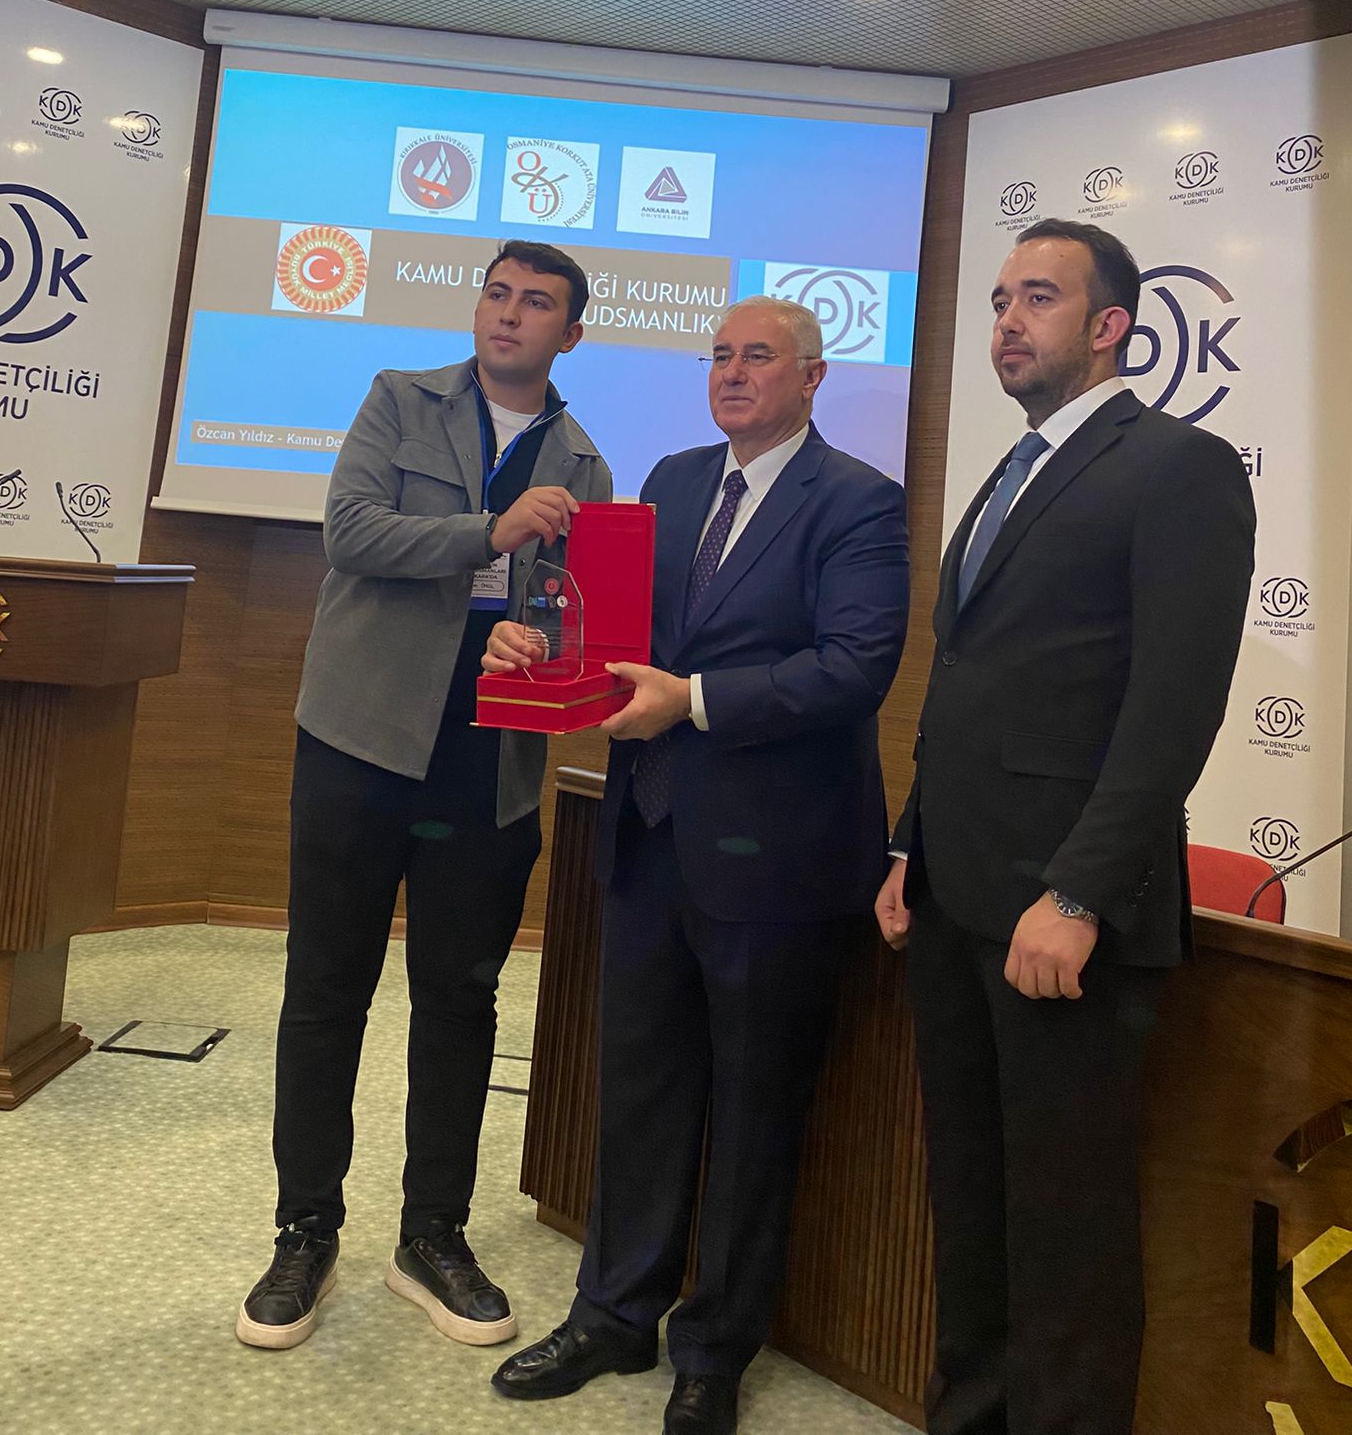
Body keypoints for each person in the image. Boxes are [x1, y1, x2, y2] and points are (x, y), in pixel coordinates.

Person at [485, 297, 910, 1435]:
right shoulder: (671, 481)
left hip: (779, 861)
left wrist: (697, 700)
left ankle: (714, 1350)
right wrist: (538, 645)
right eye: (719, 355)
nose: (731, 372)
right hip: (650, 834)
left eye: (757, 356)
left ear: (812, 378)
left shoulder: (859, 500)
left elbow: (854, 667)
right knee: (640, 1091)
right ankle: (613, 1313)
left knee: (756, 1111)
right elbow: (617, 637)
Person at [876, 218, 1255, 1435]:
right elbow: (970, 681)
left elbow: (1174, 706)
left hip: (1060, 914)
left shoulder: (1180, 465)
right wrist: (910, 842)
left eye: (1037, 297)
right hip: (956, 899)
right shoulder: (1012, 469)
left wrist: (1082, 889)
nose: (1006, 319)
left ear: (1111, 326)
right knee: (972, 1200)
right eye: (1000, 298)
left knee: (1066, 1227)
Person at [235, 242, 611, 1353]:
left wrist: (539, 640)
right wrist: (486, 531)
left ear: (570, 334)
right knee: (326, 989)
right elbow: (349, 531)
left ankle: (432, 1235)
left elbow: (573, 617)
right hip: (358, 739)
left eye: (536, 303)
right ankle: (305, 1230)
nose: (509, 314)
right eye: (497, 294)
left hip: (488, 764)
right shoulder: (400, 399)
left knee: (461, 998)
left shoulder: (584, 464)